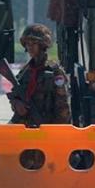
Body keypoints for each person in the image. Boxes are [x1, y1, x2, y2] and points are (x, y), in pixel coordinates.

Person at [9, 24, 70, 168]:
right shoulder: (25, 71)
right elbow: (15, 95)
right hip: (25, 129)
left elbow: (63, 108)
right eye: (28, 44)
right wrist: (16, 104)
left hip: (46, 128)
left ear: (43, 45)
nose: (30, 47)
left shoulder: (54, 72)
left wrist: (56, 134)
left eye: (34, 43)